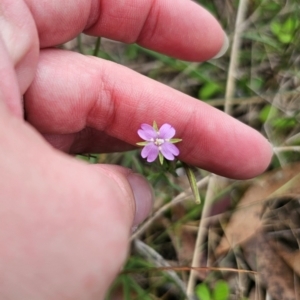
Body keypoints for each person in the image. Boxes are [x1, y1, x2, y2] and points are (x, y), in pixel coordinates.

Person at [0, 0, 272, 298]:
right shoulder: (155, 141)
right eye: (155, 139)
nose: (156, 141)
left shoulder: (164, 144)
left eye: (159, 139)